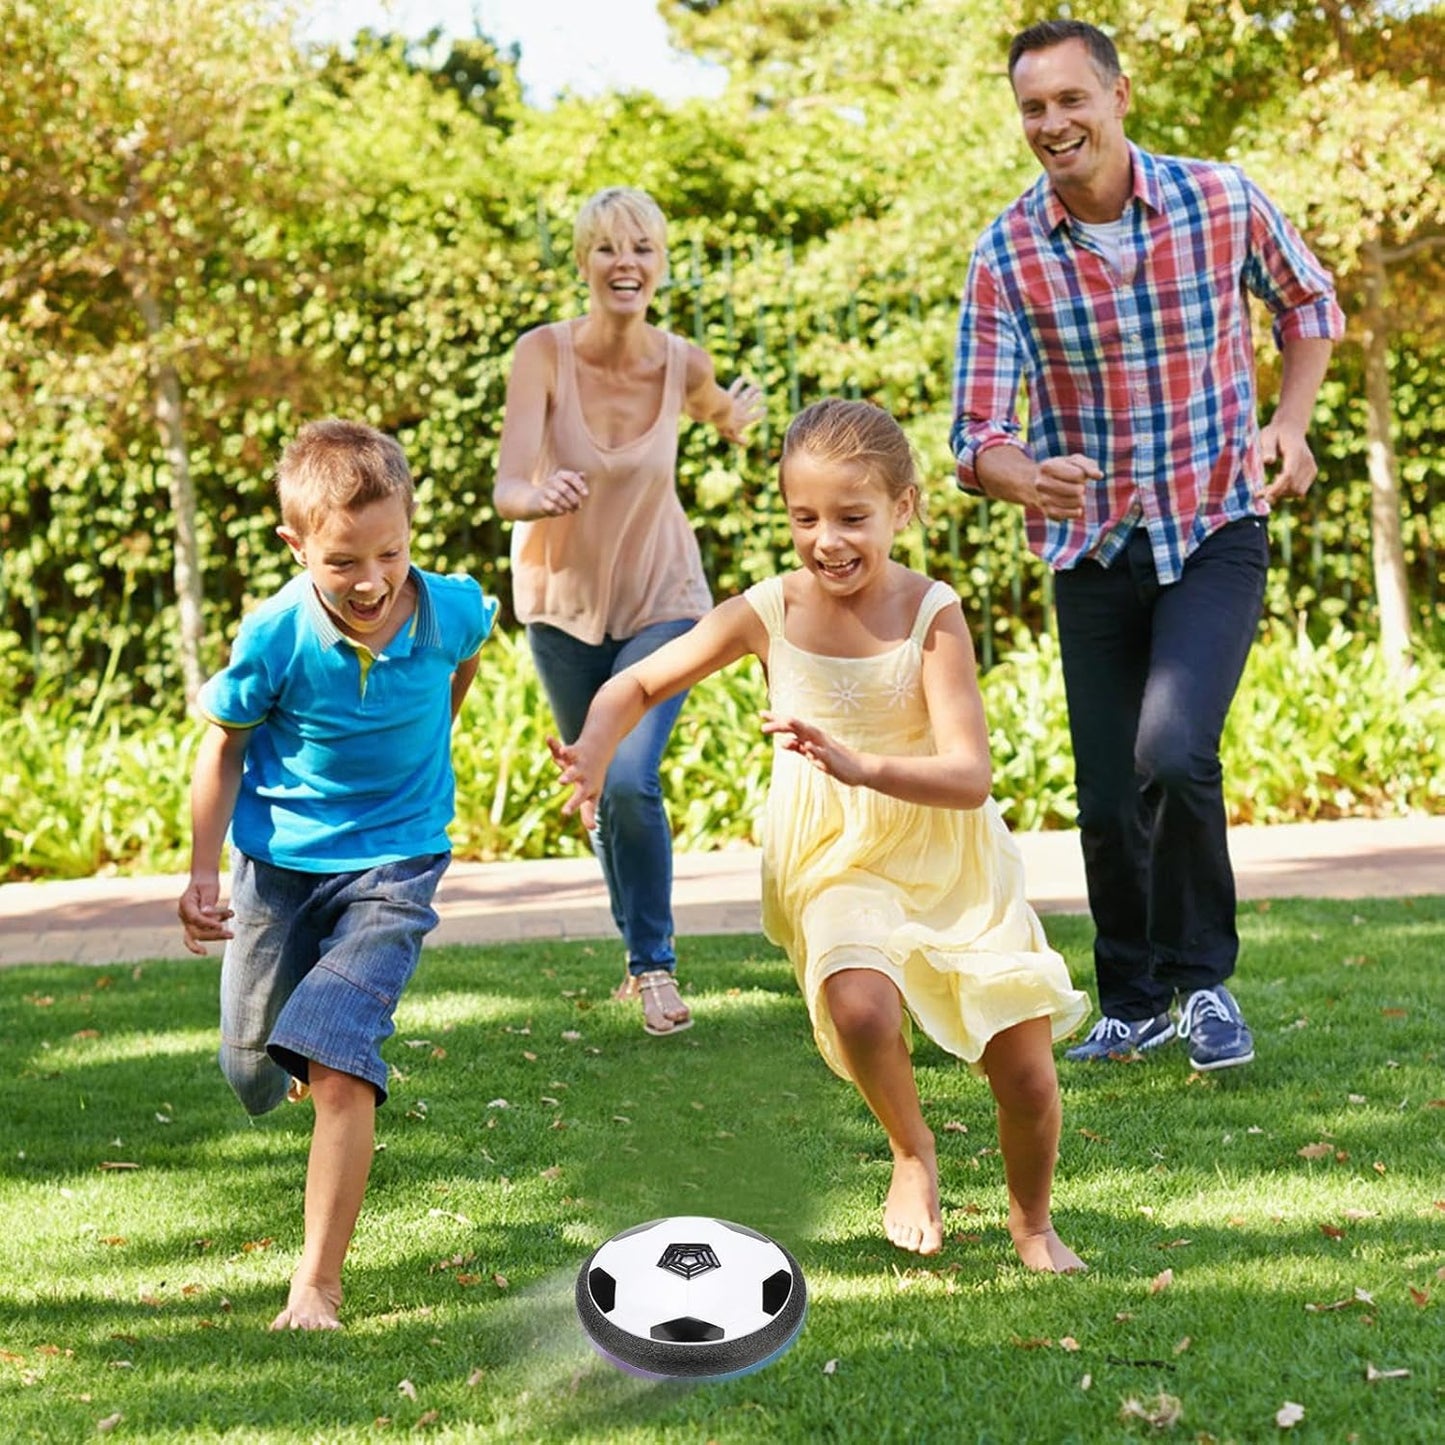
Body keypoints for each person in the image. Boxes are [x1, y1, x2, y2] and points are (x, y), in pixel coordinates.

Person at [552, 399, 1090, 1267]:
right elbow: (642, 683)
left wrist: (863, 764)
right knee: (859, 1004)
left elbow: (970, 777)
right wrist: (593, 748)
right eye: (804, 517)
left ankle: (1032, 1223)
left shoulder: (931, 613)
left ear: (903, 509)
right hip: (835, 855)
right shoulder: (768, 611)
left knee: (1024, 1076)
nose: (826, 539)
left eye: (851, 516)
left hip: (948, 854)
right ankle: (912, 1151)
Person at [951, 20, 1345, 1071]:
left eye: (1070, 100)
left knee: (1171, 747)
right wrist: (1018, 471)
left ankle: (1201, 985)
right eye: (1033, 108)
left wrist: (1289, 423)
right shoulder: (1007, 252)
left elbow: (1309, 301)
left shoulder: (1218, 198)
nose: (1051, 124)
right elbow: (974, 431)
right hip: (1091, 546)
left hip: (1213, 519)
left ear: (1118, 96)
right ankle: (1128, 1000)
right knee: (1104, 793)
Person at [178, 419, 497, 1330]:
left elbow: (466, 655)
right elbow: (223, 750)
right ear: (296, 545)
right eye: (342, 563)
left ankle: (315, 1283)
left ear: (410, 528)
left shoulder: (451, 607)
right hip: (278, 868)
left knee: (338, 1061)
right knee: (248, 1071)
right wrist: (204, 873)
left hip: (397, 864)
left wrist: (436, 733)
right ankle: (289, 1055)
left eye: (389, 553)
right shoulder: (275, 634)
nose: (370, 581)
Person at [494, 185, 763, 1038]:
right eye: (608, 247)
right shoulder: (540, 354)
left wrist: (734, 421)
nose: (625, 263)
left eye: (641, 248)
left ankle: (652, 965)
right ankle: (634, 956)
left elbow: (719, 408)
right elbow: (506, 487)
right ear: (583, 262)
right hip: (562, 603)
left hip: (663, 596)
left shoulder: (680, 360)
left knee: (630, 773)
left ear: (661, 264)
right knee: (601, 782)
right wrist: (538, 496)